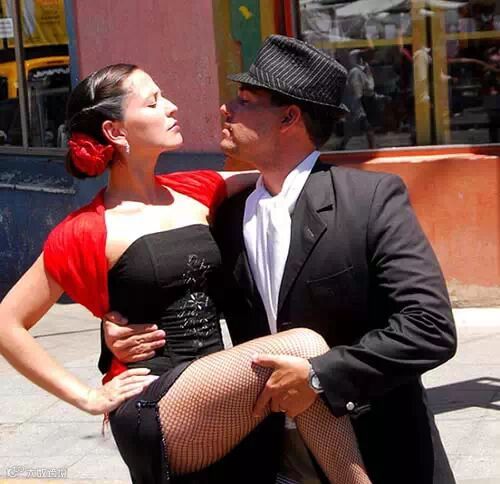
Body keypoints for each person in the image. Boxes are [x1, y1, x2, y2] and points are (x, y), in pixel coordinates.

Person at [105, 35, 458, 484]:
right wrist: (118, 330)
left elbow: (430, 327)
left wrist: (318, 376)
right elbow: (180, 295)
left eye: (245, 100)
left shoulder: (369, 198)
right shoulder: (227, 215)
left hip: (377, 450)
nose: (226, 109)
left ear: (289, 117)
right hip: (269, 456)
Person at [0, 63, 371, 484]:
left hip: (220, 387)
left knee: (299, 376)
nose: (172, 107)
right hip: (154, 402)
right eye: (153, 102)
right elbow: (7, 323)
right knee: (303, 348)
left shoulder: (196, 190)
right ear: (115, 131)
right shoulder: (87, 229)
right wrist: (86, 396)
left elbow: (284, 173)